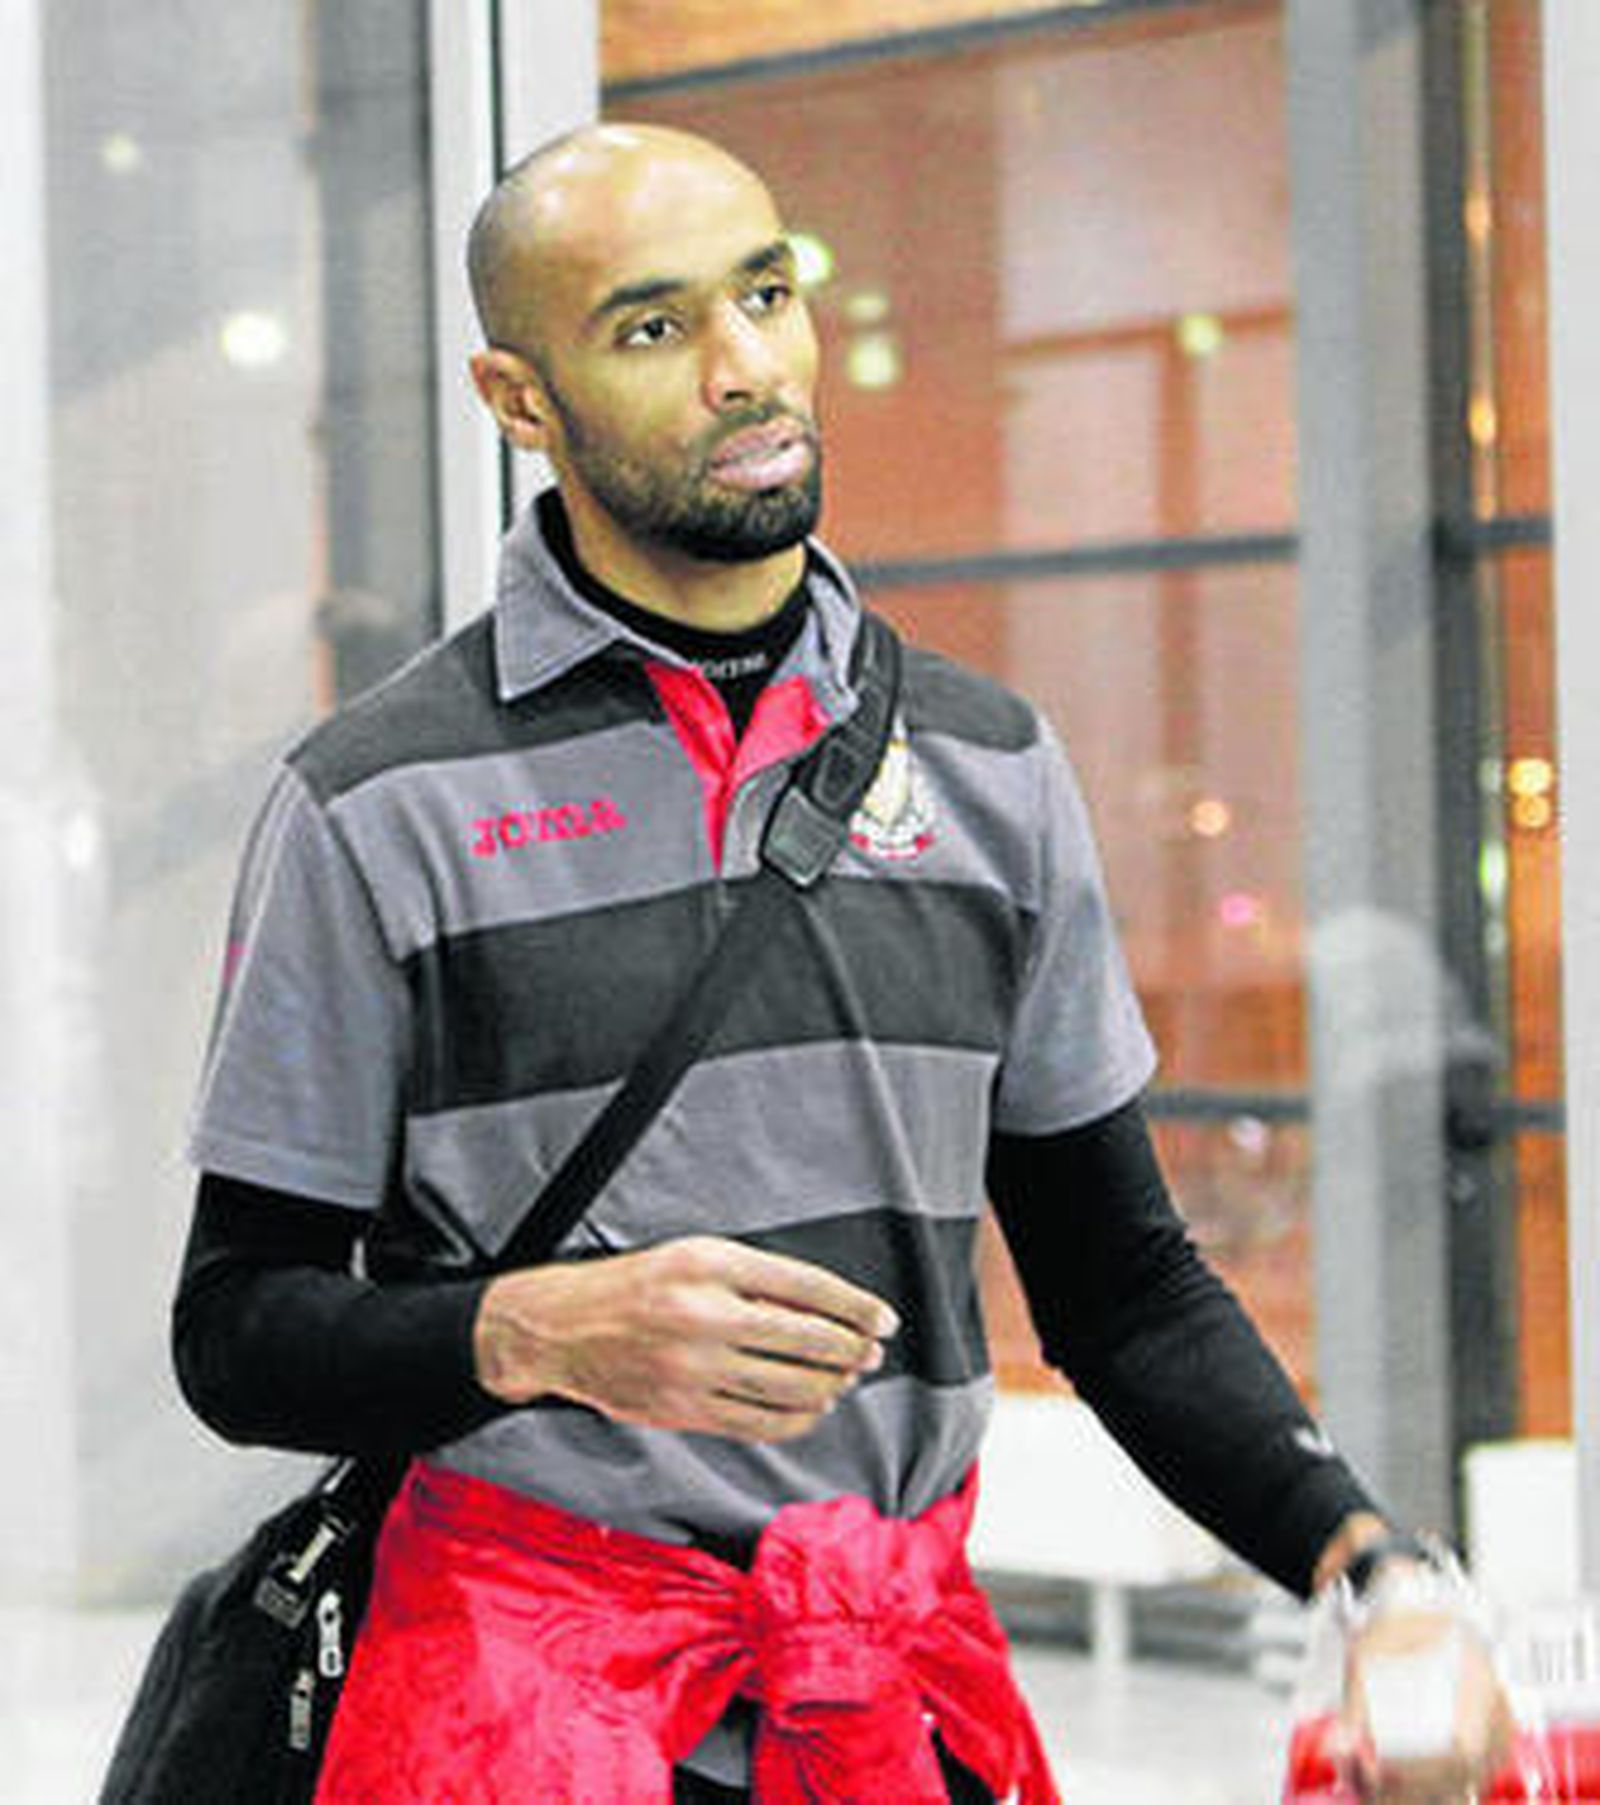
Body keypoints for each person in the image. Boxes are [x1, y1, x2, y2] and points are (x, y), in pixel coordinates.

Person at [174, 123, 1507, 1803]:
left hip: (890, 1701)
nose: (745, 367)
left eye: (767, 293)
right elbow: (235, 1329)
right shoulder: (375, 800)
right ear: (519, 399)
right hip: (518, 1714)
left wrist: (1372, 1569)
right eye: (653, 327)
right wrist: (533, 1333)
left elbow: (1124, 1288)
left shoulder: (989, 765)